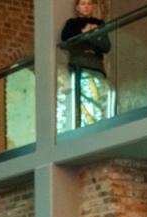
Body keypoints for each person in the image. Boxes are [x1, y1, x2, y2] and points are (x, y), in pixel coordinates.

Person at [61, 0, 111, 128]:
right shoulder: (72, 23)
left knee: (99, 100)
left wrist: (95, 34)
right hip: (79, 65)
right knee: (81, 99)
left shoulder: (99, 24)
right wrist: (84, 33)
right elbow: (66, 39)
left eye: (89, 4)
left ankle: (100, 125)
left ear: (93, 7)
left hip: (96, 66)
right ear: (77, 7)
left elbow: (106, 46)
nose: (86, 7)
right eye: (83, 4)